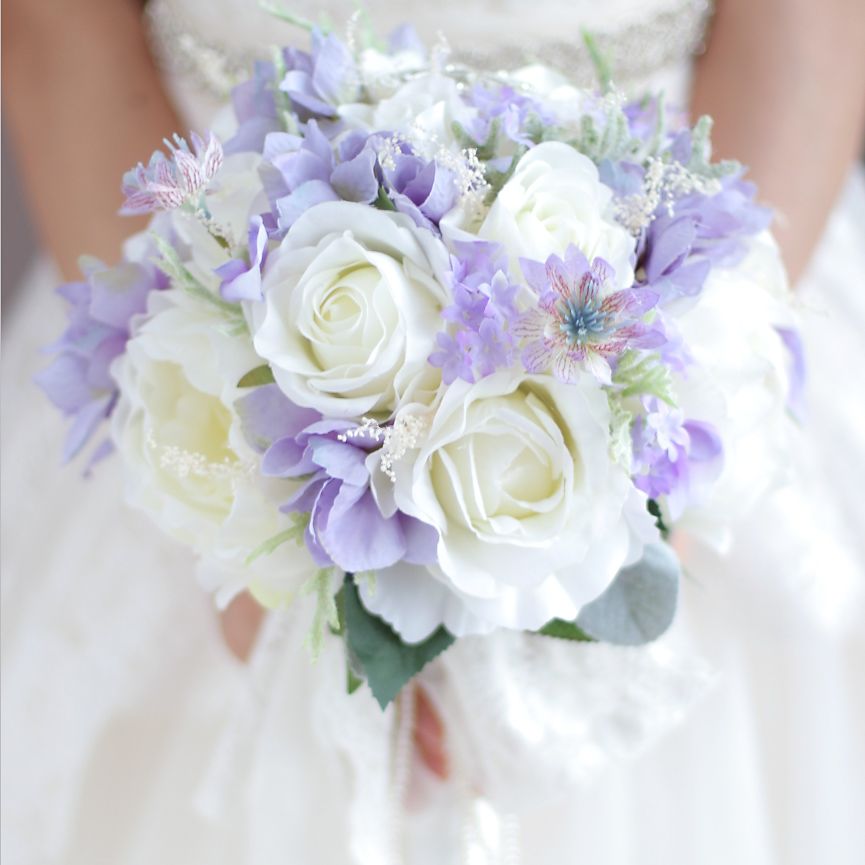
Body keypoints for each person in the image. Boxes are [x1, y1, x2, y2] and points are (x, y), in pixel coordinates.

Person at [2, 0, 864, 862]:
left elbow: (808, 32)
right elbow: (58, 33)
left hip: (689, 292)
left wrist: (632, 476)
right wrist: (247, 525)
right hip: (191, 291)